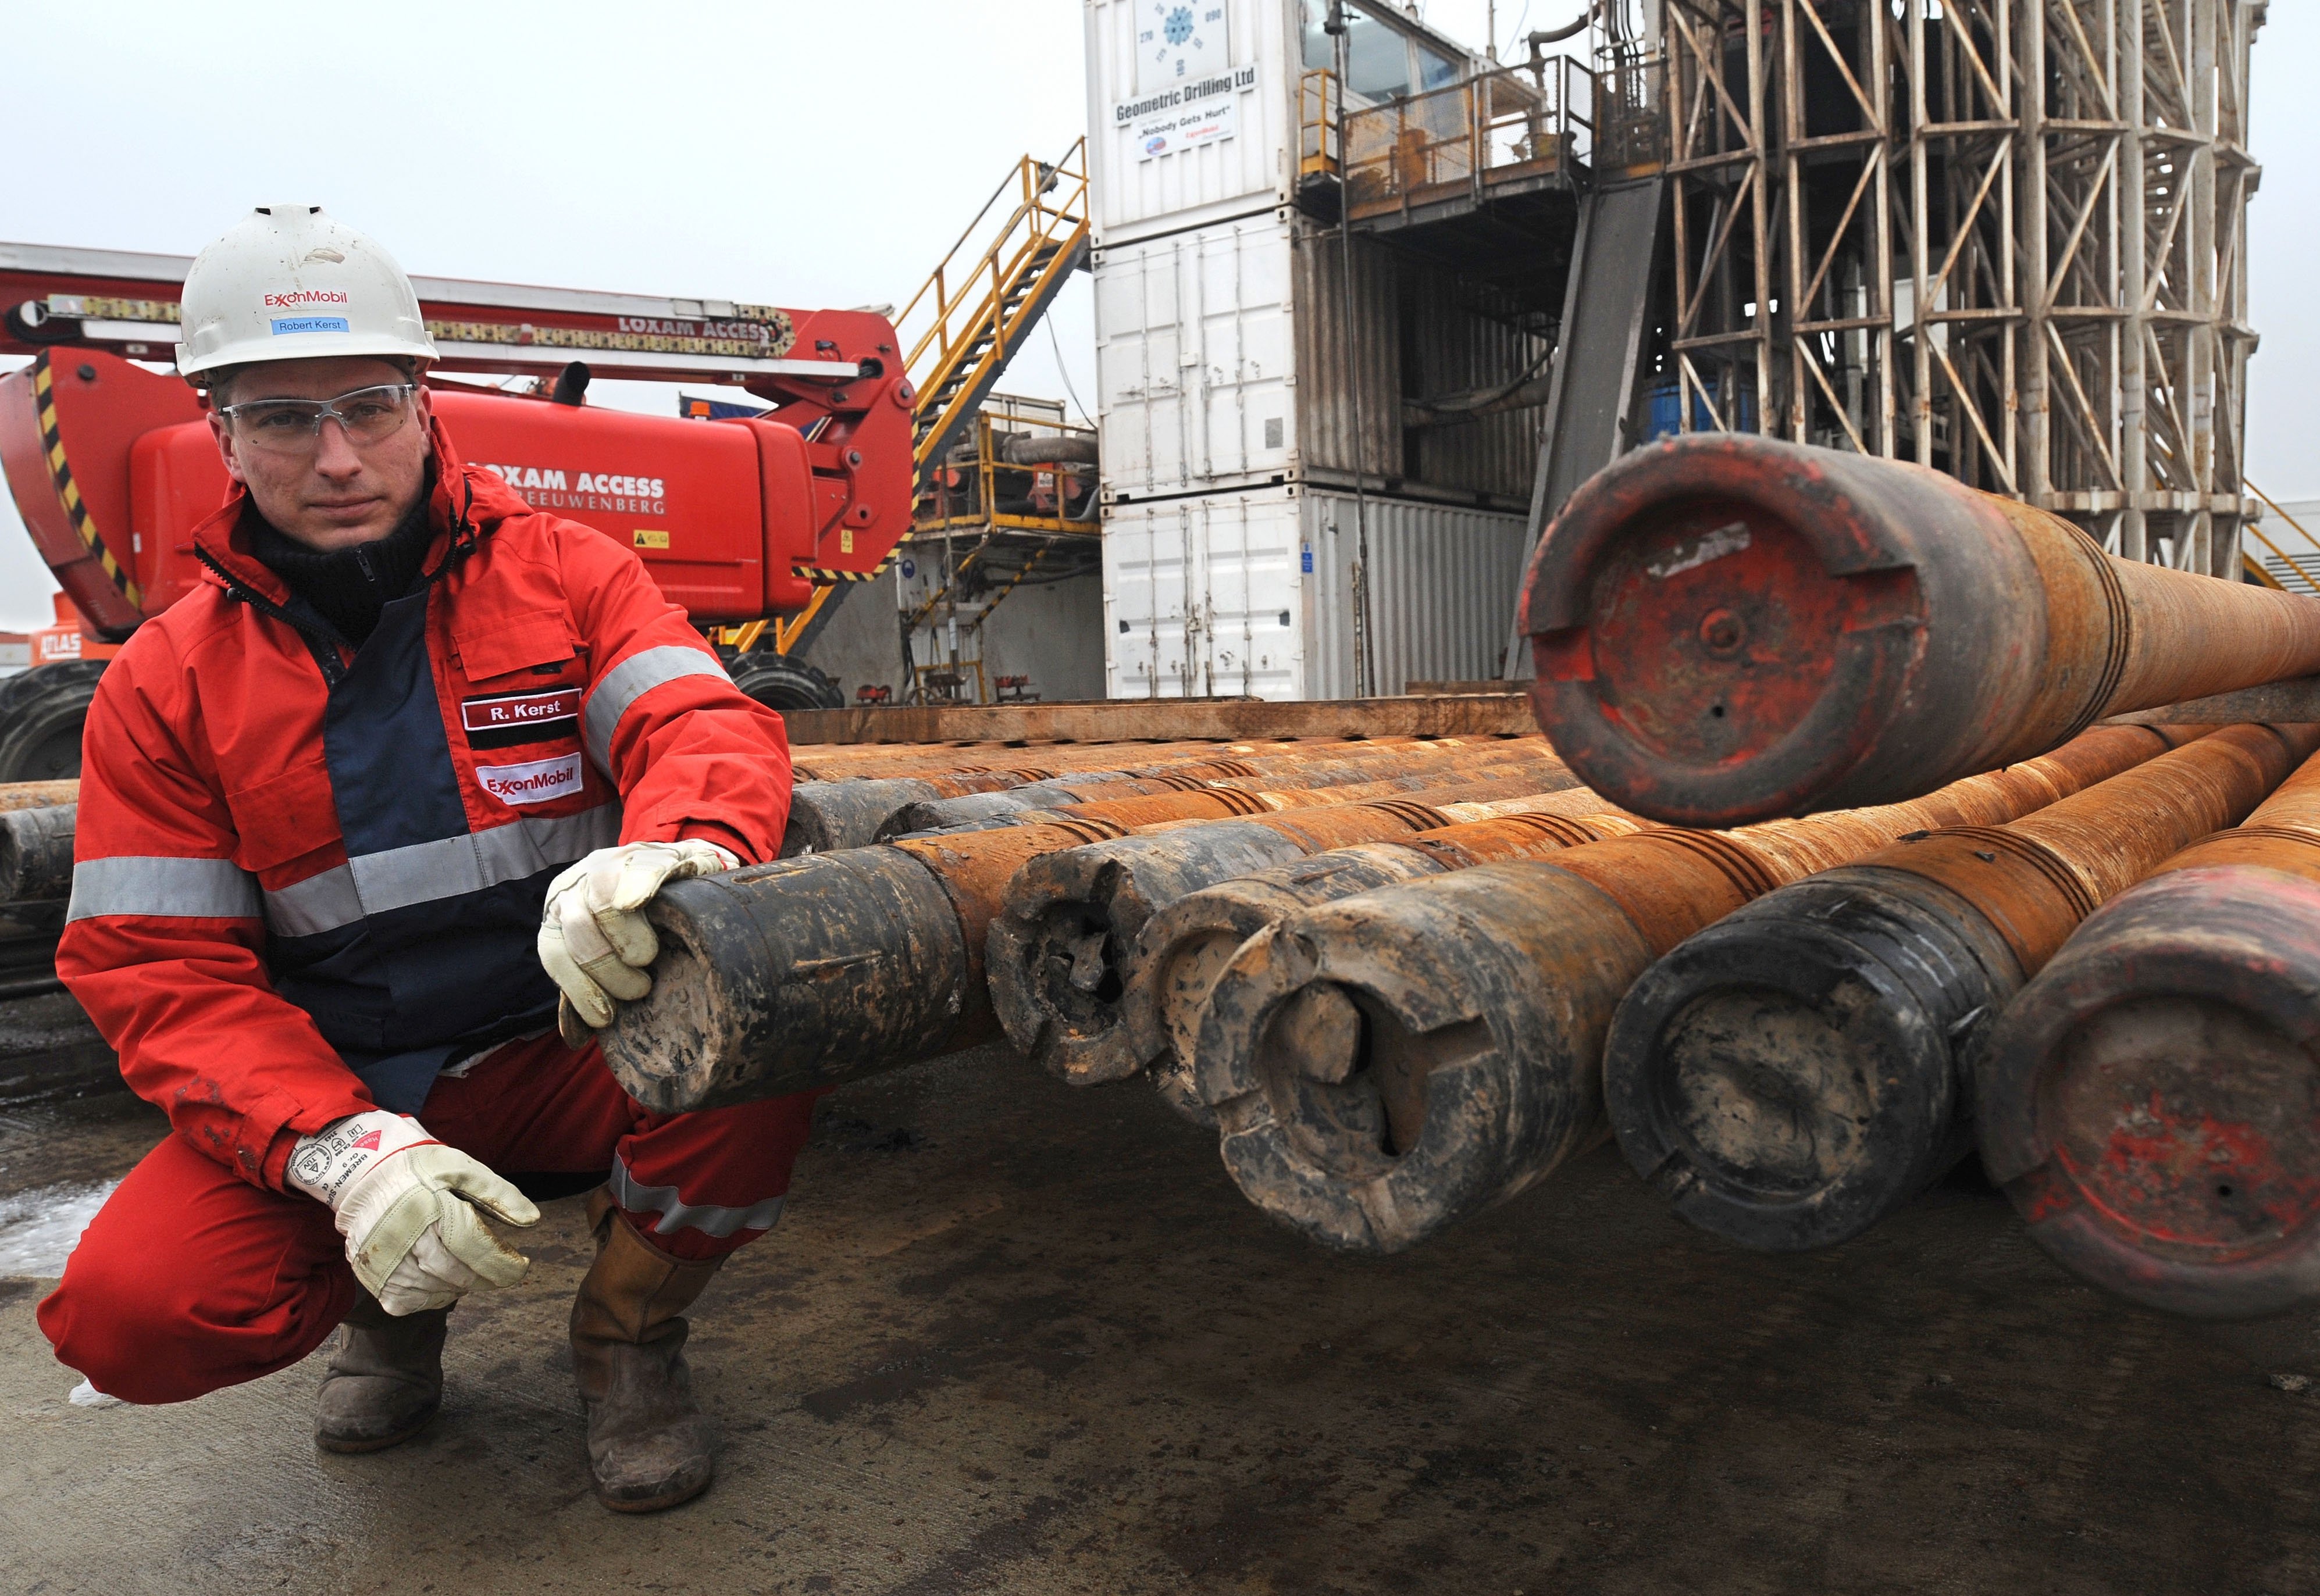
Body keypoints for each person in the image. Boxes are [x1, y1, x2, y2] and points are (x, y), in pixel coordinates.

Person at [35, 204, 819, 1514]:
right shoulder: (167, 681)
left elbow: (699, 717)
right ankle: (393, 1303)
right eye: (285, 418)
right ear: (219, 429)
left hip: (573, 1043)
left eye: (371, 405)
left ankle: (628, 1336)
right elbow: (159, 970)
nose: (338, 454)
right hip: (351, 1078)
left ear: (426, 402)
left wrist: (684, 843)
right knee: (132, 1308)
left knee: (774, 1028)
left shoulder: (569, 574)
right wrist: (345, 1154)